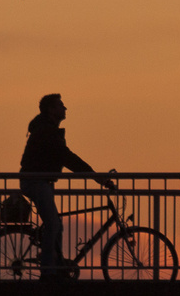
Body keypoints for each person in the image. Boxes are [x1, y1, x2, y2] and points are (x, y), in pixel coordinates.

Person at [19, 93, 115, 279]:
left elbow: (65, 157)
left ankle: (56, 263)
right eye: (61, 106)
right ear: (51, 110)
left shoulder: (47, 129)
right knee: (53, 225)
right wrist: (97, 177)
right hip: (36, 182)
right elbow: (67, 157)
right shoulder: (47, 132)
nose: (65, 109)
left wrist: (95, 176)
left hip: (40, 182)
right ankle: (48, 271)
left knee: (56, 225)